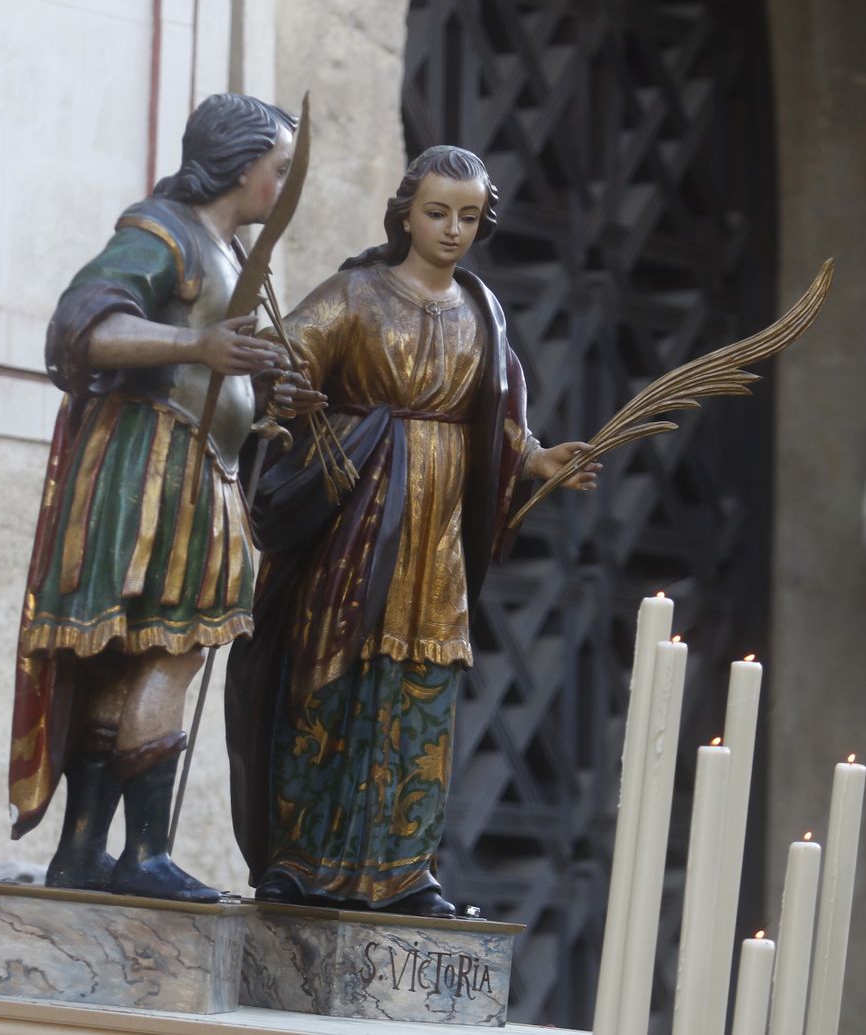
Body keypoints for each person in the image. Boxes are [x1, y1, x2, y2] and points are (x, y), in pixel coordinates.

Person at [225, 145, 600, 918]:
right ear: (404, 214)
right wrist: (286, 387)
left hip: (436, 541)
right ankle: (299, 862)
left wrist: (534, 460)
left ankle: (402, 872)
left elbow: (493, 421)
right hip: (353, 524)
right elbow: (280, 360)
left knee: (418, 694)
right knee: (327, 681)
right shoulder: (357, 294)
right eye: (437, 213)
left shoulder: (481, 311)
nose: (453, 229)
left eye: (469, 216)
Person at [8, 93, 319, 901]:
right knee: (170, 650)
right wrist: (201, 344)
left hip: (189, 460)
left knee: (129, 661)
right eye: (280, 170)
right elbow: (80, 329)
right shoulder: (164, 233)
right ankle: (143, 853)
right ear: (241, 166)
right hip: (157, 462)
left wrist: (271, 401)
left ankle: (84, 853)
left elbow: (221, 373)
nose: (285, 187)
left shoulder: (228, 251)